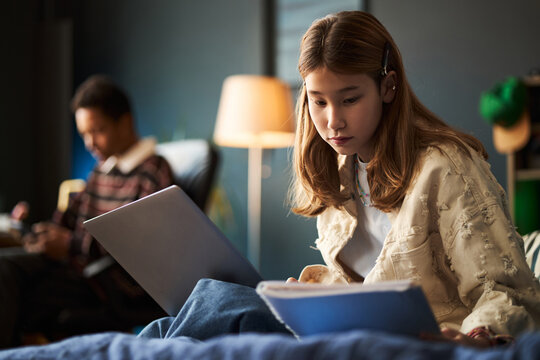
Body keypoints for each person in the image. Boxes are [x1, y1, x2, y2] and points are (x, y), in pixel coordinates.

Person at [139, 10, 539, 348]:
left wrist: (475, 337)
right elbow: (367, 282)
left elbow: (508, 292)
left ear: (388, 86)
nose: (333, 121)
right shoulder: (339, 170)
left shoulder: (446, 166)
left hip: (418, 343)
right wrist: (310, 293)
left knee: (221, 303)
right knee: (182, 316)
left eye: (350, 99)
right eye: (318, 101)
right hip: (352, 335)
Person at [0, 75, 174, 348]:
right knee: (5, 265)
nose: (89, 143)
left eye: (98, 131)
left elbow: (137, 248)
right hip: (76, 267)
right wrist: (40, 231)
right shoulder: (103, 168)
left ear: (125, 123)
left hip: (105, 285)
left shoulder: (152, 172)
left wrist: (70, 245)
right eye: (84, 134)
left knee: (12, 284)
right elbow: (69, 217)